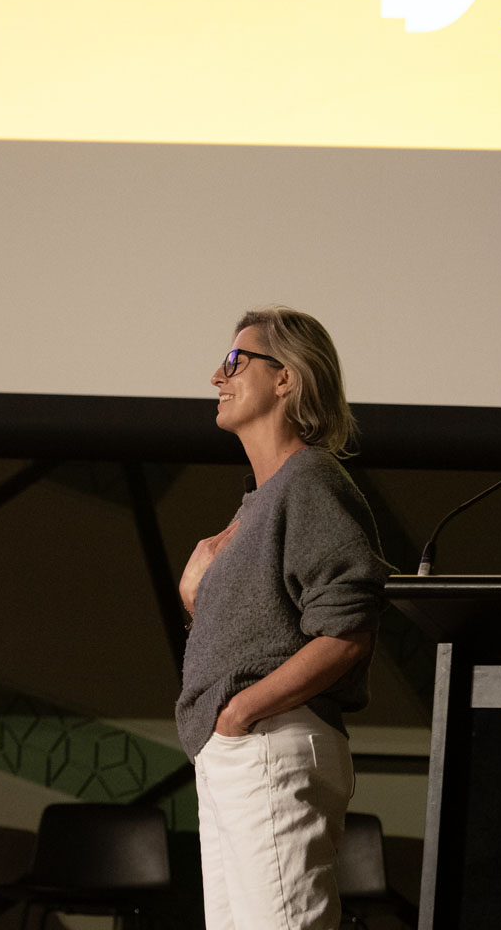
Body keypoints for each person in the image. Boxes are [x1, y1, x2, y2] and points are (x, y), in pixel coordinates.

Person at [174, 306, 390, 930]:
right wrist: (195, 600)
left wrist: (241, 712)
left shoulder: (310, 480)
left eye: (236, 360)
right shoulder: (260, 501)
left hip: (268, 743)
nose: (217, 376)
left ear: (285, 377)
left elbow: (346, 632)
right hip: (234, 753)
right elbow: (255, 634)